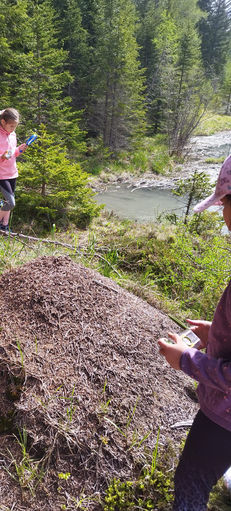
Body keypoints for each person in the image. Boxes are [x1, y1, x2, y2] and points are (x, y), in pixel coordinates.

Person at [158, 155, 231, 510]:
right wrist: (216, 332)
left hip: (225, 417)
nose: (223, 216)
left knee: (192, 479)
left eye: (225, 204)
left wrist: (187, 360)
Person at [0, 108, 27, 232]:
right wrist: (1, 157)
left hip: (12, 172)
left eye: (15, 126)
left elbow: (13, 153)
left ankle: (5, 226)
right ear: (3, 122)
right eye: (11, 126)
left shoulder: (13, 135)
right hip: (0, 174)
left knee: (7, 203)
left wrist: (19, 150)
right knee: (11, 202)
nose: (13, 128)